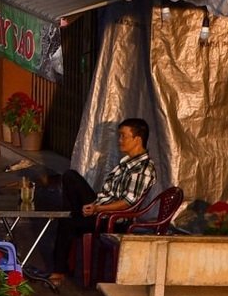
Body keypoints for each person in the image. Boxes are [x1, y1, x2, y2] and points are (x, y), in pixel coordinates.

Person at [43, 116, 156, 281]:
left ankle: (60, 270)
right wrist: (95, 205)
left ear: (137, 139)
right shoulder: (126, 163)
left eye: (123, 136)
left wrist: (98, 209)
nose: (120, 140)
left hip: (112, 219)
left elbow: (127, 203)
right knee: (70, 177)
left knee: (67, 221)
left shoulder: (142, 169)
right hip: (100, 207)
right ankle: (72, 214)